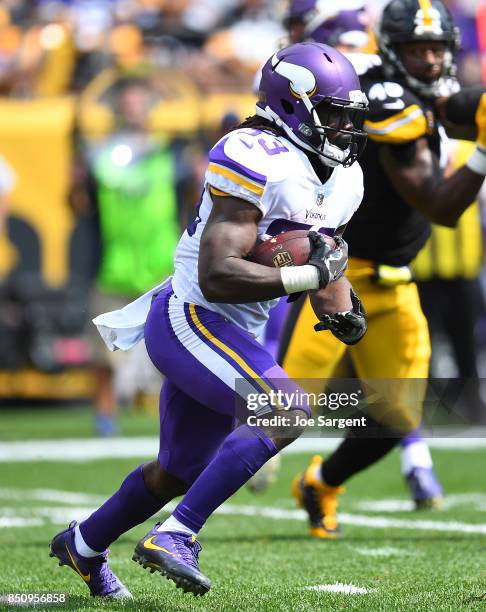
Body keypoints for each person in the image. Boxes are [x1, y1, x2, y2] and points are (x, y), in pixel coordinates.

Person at [49, 42, 369, 597]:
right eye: (334, 112)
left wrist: (342, 311)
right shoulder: (253, 153)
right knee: (285, 409)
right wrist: (307, 278)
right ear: (293, 106)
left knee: (177, 471)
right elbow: (220, 272)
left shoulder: (345, 179)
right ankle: (177, 534)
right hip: (192, 316)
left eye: (350, 114)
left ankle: (82, 543)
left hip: (235, 328)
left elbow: (324, 255)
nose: (345, 126)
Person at [280, 0, 486, 538]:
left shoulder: (415, 89)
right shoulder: (386, 95)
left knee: (396, 418)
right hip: (338, 279)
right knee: (276, 413)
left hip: (397, 281)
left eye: (436, 49)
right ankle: (179, 510)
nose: (428, 61)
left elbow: (452, 105)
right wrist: (483, 150)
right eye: (417, 50)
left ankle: (321, 482)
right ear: (393, 49)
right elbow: (440, 207)